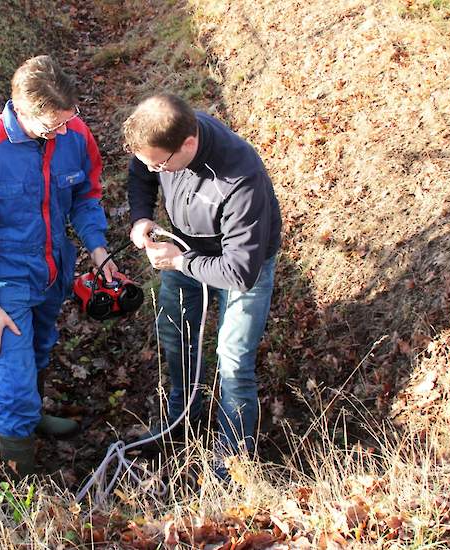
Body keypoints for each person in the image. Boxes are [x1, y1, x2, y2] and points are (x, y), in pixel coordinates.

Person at [0, 55, 116, 478]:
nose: (63, 130)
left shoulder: (75, 133)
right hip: (6, 280)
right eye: (52, 126)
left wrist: (98, 249)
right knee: (15, 385)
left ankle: (35, 417)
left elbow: (86, 195)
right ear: (22, 110)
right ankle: (20, 491)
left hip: (53, 270)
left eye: (68, 119)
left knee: (41, 349)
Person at [122, 93, 281, 473]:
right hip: (187, 249)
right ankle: (182, 420)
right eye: (153, 162)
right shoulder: (163, 140)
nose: (156, 169)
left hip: (241, 265)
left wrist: (179, 261)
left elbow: (240, 272)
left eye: (162, 164)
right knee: (176, 334)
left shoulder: (240, 178)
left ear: (188, 145)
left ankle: (232, 464)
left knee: (233, 362)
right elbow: (141, 171)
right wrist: (142, 217)